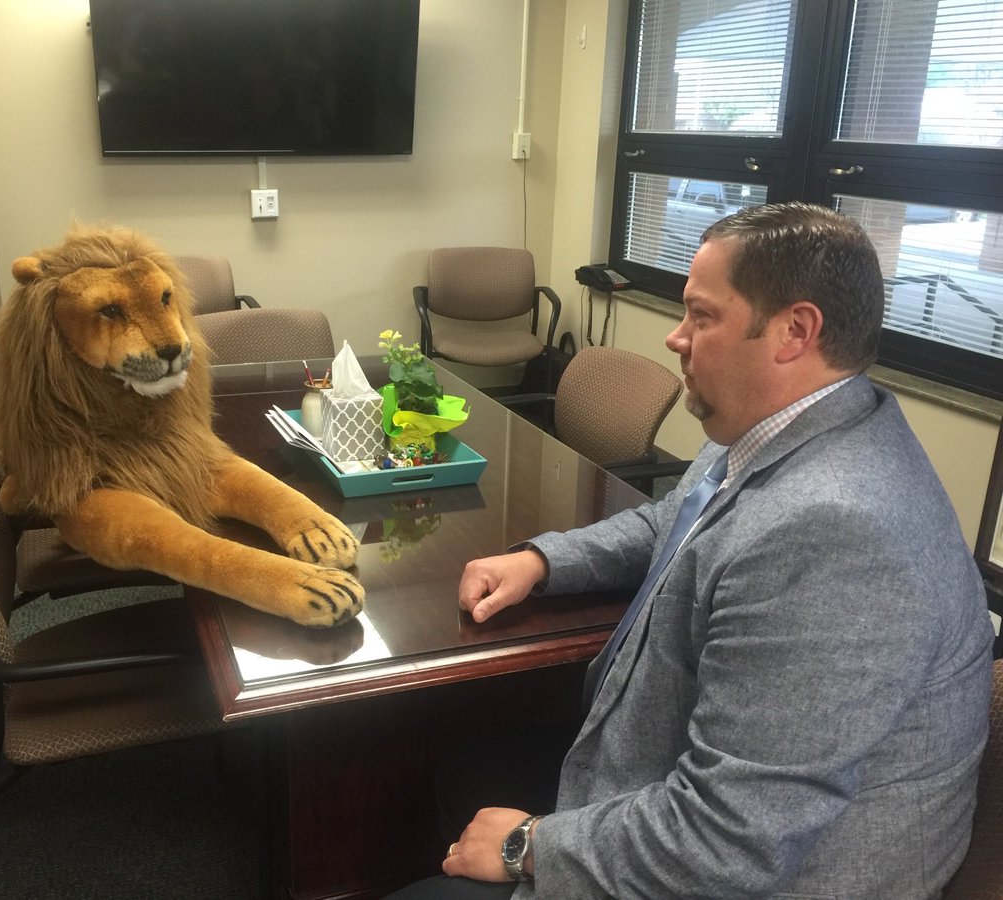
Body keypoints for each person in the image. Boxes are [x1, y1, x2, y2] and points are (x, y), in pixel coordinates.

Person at [390, 202, 994, 899]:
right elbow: (671, 522)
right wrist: (544, 561)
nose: (676, 337)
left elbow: (730, 841)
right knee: (461, 769)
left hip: (771, 874)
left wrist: (529, 845)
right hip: (675, 773)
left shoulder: (836, 532)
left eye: (701, 316)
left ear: (795, 332)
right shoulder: (781, 423)